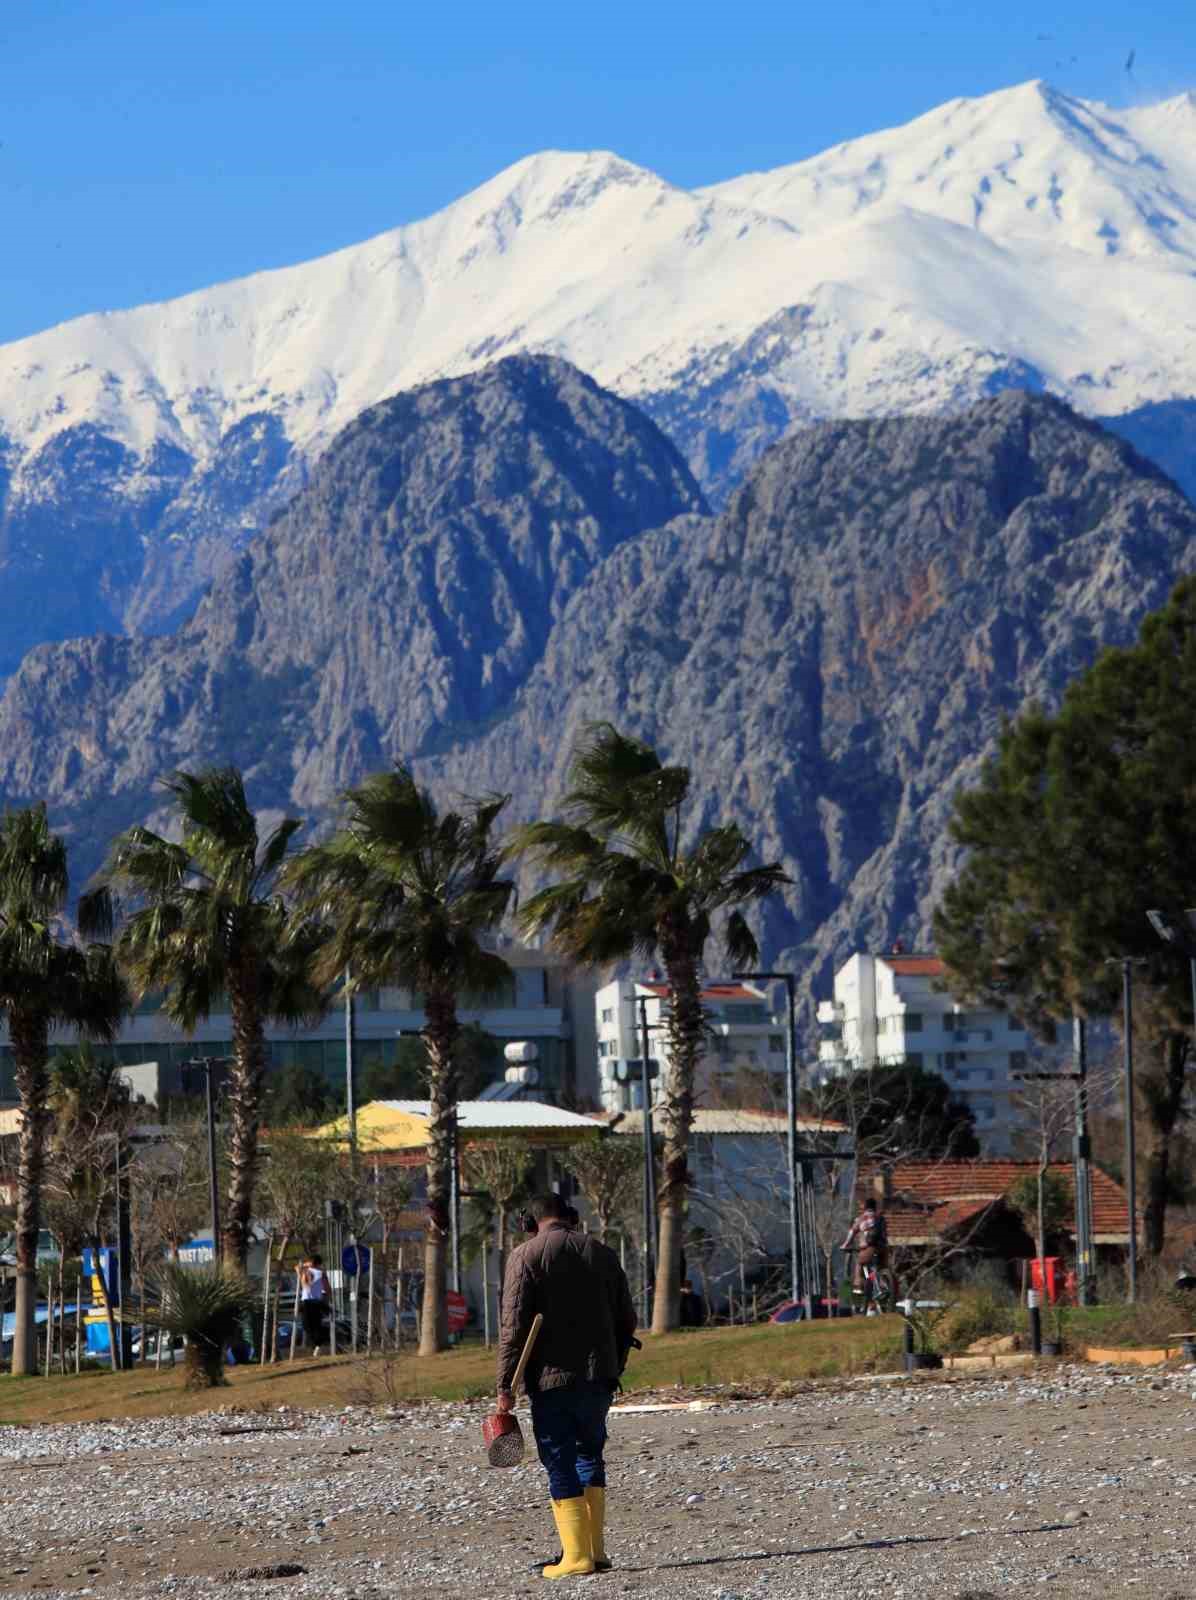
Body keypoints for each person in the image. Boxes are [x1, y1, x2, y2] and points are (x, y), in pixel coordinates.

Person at [497, 1192, 638, 1580]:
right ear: (570, 1217)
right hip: (599, 1377)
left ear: (531, 1222)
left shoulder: (524, 1256)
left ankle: (575, 1557)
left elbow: (513, 1329)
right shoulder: (602, 1253)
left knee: (559, 1459)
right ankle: (595, 1551)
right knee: (589, 1453)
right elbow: (628, 1319)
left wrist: (505, 1385)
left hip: (551, 1380)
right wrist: (615, 1364)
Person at [841, 1197, 889, 1303]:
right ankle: (883, 1283)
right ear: (875, 1207)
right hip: (883, 1248)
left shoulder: (862, 1218)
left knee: (859, 1262)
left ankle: (858, 1286)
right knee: (880, 1268)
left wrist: (845, 1245)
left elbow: (852, 1232)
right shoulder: (881, 1218)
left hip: (869, 1248)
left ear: (865, 1208)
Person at [299, 1253, 328, 1356]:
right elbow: (327, 1288)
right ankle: (317, 1345)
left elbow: (304, 1284)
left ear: (311, 1262)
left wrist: (304, 1267)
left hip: (309, 1301)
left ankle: (318, 1344)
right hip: (315, 1301)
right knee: (314, 1325)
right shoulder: (320, 1273)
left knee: (308, 1325)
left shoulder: (308, 1271)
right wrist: (326, 1298)